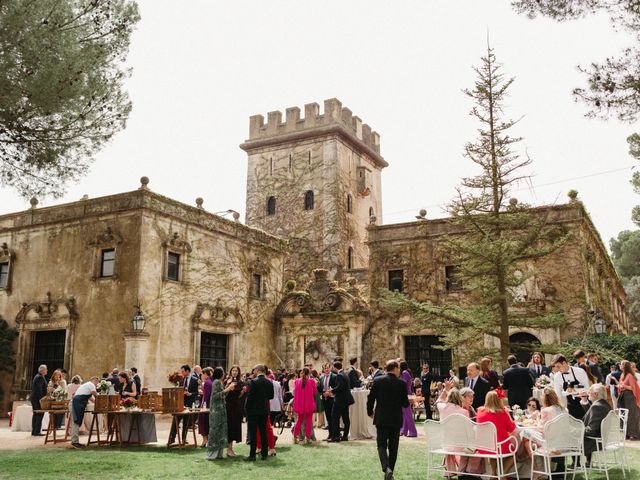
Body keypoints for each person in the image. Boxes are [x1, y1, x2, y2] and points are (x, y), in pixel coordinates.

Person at [366, 360, 409, 480]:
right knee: (393, 447)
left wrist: (370, 412)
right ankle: (390, 472)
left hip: (381, 418)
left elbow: (370, 398)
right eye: (399, 368)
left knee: (381, 445)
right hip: (395, 419)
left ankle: (386, 468)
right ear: (395, 368)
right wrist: (407, 401)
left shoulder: (378, 381)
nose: (399, 370)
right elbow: (405, 404)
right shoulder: (402, 383)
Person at [475, 391, 517, 477]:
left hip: (484, 446)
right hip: (500, 446)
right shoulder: (502, 412)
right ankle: (504, 474)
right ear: (498, 400)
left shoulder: (480, 411)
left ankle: (494, 474)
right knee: (514, 452)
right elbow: (512, 428)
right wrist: (508, 414)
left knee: (493, 451)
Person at [206, 367, 237, 460]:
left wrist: (228, 388)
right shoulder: (216, 382)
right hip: (216, 411)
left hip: (221, 409)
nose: (224, 374)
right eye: (223, 372)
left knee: (221, 431)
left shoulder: (219, 382)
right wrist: (228, 389)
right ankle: (212, 454)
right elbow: (215, 396)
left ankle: (219, 454)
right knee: (215, 430)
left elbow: (222, 395)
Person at [245, 364, 274, 461]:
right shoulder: (269, 382)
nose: (253, 372)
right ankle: (264, 454)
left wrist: (246, 409)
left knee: (253, 433)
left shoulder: (253, 382)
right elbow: (271, 396)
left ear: (258, 370)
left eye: (254, 370)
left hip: (253, 410)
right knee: (263, 432)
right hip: (264, 410)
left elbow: (250, 397)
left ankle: (252, 455)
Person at [581, 383, 612, 464]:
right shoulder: (605, 405)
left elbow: (591, 431)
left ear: (595, 394)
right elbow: (593, 416)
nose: (588, 394)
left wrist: (577, 430)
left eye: (589, 392)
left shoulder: (597, 407)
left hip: (594, 443)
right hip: (602, 440)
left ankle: (574, 465)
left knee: (567, 439)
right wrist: (584, 401)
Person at [552, 354, 590, 419]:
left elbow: (587, 388)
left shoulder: (580, 371)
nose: (557, 369)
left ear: (564, 363)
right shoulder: (557, 377)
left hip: (584, 404)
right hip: (571, 407)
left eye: (558, 366)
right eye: (556, 367)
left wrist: (574, 389)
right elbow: (558, 395)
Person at [169, 364, 199, 445]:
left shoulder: (195, 380)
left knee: (186, 422)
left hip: (189, 403)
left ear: (187, 371)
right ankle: (172, 438)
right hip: (181, 403)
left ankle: (183, 439)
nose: (181, 373)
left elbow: (196, 392)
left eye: (183, 371)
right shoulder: (181, 380)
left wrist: (190, 394)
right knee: (176, 420)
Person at [68, 377, 99, 449]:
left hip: (76, 403)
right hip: (76, 403)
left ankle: (75, 441)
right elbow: (94, 394)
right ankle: (74, 442)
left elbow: (91, 398)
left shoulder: (86, 385)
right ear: (95, 380)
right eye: (97, 382)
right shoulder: (91, 384)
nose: (97, 384)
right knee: (76, 422)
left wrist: (98, 403)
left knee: (76, 422)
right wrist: (100, 399)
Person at [327, 361, 352, 442]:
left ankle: (336, 437)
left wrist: (331, 390)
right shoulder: (345, 374)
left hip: (340, 400)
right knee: (345, 418)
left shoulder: (339, 375)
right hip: (346, 400)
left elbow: (339, 387)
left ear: (335, 367)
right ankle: (345, 436)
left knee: (334, 418)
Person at [292, 367, 318, 443]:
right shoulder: (311, 381)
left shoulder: (297, 381)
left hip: (300, 404)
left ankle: (295, 437)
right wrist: (315, 384)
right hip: (309, 404)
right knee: (309, 421)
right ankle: (308, 438)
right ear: (309, 373)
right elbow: (315, 392)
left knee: (299, 420)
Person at [617, 360, 640, 439]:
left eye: (621, 364)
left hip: (629, 398)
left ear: (625, 366)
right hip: (623, 397)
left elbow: (632, 387)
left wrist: (624, 386)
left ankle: (633, 434)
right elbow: (621, 384)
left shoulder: (630, 375)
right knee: (623, 415)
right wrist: (620, 386)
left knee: (631, 415)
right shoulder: (622, 375)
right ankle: (626, 433)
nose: (620, 365)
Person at [225, 365, 243, 456]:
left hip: (235, 407)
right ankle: (228, 449)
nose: (235, 372)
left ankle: (230, 448)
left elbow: (239, 394)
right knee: (228, 427)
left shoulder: (240, 382)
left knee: (233, 427)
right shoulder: (226, 381)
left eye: (236, 371)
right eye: (233, 370)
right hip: (227, 406)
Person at [398, 360, 417, 437]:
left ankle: (413, 432)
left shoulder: (404, 373)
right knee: (405, 414)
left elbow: (404, 384)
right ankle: (404, 431)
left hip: (405, 395)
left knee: (408, 414)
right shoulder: (405, 372)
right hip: (406, 394)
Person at [320, 362, 336, 440]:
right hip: (325, 399)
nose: (326, 369)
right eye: (325, 368)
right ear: (323, 369)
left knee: (333, 417)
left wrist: (331, 392)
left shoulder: (334, 376)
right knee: (328, 418)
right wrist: (323, 394)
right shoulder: (321, 378)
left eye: (327, 368)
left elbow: (337, 387)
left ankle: (334, 434)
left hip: (332, 398)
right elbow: (320, 389)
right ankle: (330, 434)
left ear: (330, 368)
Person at [30, 364, 48, 436]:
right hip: (37, 399)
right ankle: (36, 432)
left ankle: (34, 431)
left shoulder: (38, 376)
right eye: (46, 369)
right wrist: (42, 400)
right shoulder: (40, 377)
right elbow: (39, 390)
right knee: (39, 414)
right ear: (42, 370)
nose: (47, 370)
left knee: (36, 415)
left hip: (35, 399)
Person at [198, 367, 213, 447]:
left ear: (204, 374)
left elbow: (207, 396)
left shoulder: (207, 382)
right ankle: (206, 440)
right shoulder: (210, 381)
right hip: (207, 404)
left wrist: (204, 406)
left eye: (202, 374)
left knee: (203, 423)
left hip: (205, 405)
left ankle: (205, 440)